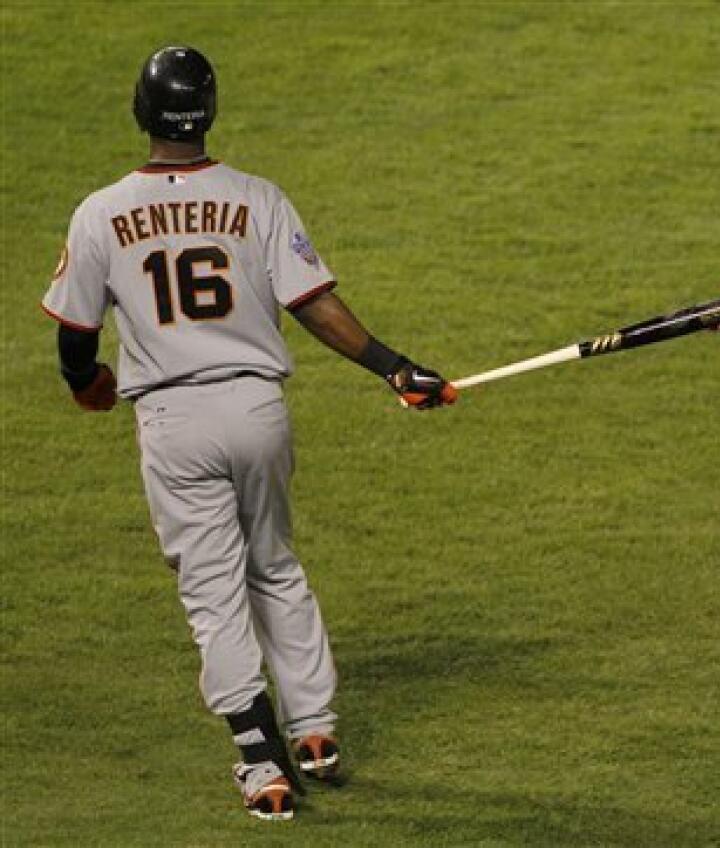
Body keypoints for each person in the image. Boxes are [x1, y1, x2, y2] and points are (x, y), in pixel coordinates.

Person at [41, 45, 458, 821]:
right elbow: (313, 305)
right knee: (273, 562)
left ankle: (261, 761)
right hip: (259, 409)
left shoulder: (100, 211)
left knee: (211, 590)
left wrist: (85, 384)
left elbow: (75, 331)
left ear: (140, 111)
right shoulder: (258, 197)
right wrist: (394, 367)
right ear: (210, 113)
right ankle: (315, 731)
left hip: (174, 418)